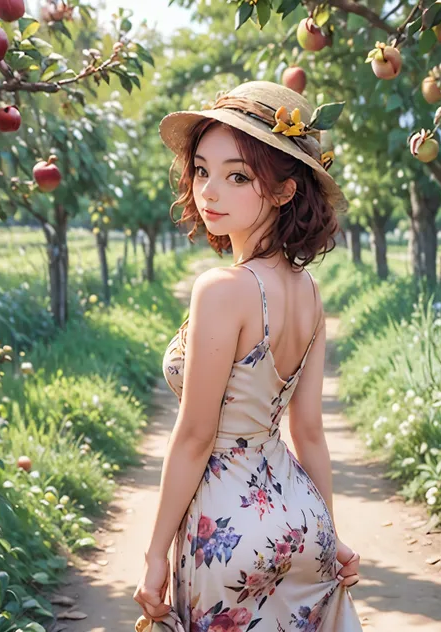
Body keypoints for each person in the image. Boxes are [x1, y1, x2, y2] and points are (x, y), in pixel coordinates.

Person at [133, 80, 363, 631]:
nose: (210, 191)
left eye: (238, 176)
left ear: (285, 191)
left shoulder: (222, 289)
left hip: (226, 527)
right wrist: (330, 534)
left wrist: (153, 553)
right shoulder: (309, 293)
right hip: (300, 521)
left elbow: (195, 436)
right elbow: (309, 431)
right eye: (202, 170)